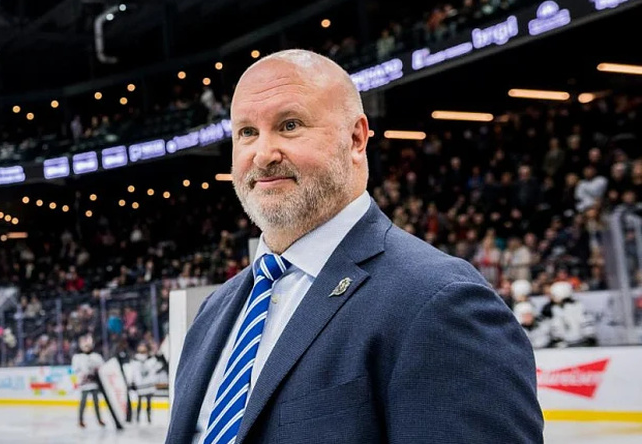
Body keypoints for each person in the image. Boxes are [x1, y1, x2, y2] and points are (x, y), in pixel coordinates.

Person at [164, 50, 542, 444]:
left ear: (356, 139)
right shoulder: (214, 311)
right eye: (246, 132)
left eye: (290, 125)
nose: (262, 154)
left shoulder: (440, 301)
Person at [72, 334, 105, 428]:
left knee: (96, 403)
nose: (87, 347)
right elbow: (75, 370)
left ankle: (99, 419)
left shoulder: (96, 356)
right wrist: (83, 376)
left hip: (95, 383)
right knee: (83, 403)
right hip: (84, 384)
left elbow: (102, 368)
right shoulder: (77, 357)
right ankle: (80, 420)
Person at [131, 343, 161, 424]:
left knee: (148, 403)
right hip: (141, 385)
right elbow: (133, 372)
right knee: (140, 403)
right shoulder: (135, 361)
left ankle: (148, 418)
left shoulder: (151, 360)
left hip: (148, 385)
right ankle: (138, 418)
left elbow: (157, 368)